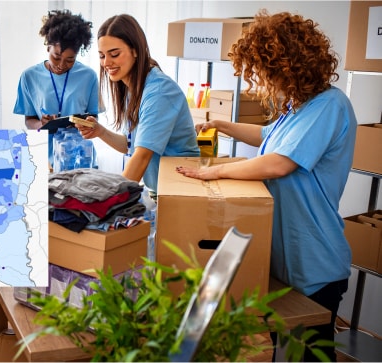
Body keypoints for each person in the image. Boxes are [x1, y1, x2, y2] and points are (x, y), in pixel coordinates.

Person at [176, 10, 356, 362]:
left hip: (314, 262)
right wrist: (222, 125)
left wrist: (216, 172)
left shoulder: (330, 105)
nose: (256, 85)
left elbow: (278, 162)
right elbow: (269, 139)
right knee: (283, 353)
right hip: (285, 259)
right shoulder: (296, 107)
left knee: (308, 357)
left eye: (259, 74)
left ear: (285, 65)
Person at [76, 14, 199, 197]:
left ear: (135, 50)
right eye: (102, 56)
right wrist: (100, 131)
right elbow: (131, 145)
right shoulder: (133, 88)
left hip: (181, 193)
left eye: (115, 54)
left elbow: (142, 156)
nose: (106, 63)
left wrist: (109, 204)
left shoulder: (159, 91)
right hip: (161, 191)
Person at [13, 9, 100, 164]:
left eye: (69, 60)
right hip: (43, 158)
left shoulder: (89, 76)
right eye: (56, 57)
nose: (61, 65)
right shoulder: (29, 76)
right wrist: (41, 124)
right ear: (48, 47)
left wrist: (85, 124)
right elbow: (29, 120)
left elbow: (95, 119)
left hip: (81, 158)